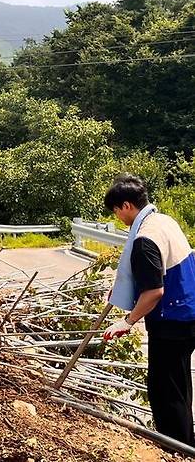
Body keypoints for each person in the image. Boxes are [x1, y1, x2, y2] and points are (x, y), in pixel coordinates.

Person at [102, 175, 195, 446]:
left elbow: (155, 291)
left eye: (116, 211)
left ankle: (176, 448)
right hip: (188, 312)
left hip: (172, 322)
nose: (118, 216)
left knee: (164, 390)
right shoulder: (164, 220)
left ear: (127, 205)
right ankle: (186, 440)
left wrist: (128, 321)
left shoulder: (144, 238)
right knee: (178, 385)